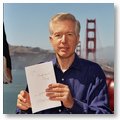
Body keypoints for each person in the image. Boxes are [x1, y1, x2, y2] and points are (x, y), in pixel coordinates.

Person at [16, 13, 112, 114]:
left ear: (77, 39)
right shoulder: (37, 71)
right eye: (58, 35)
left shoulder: (94, 72)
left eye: (69, 34)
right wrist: (24, 108)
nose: (64, 41)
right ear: (51, 40)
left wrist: (73, 104)